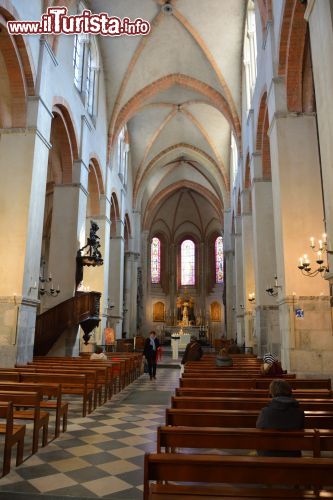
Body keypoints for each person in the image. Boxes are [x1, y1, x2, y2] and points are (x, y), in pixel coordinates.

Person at [256, 379, 305, 456]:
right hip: (292, 454)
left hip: (268, 454)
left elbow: (259, 429)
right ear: (289, 391)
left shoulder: (265, 411)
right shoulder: (299, 412)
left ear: (272, 393)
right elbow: (301, 435)